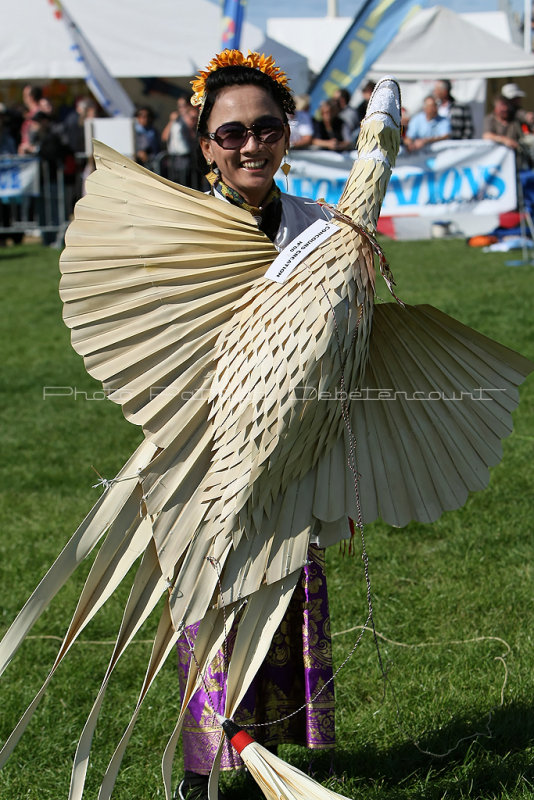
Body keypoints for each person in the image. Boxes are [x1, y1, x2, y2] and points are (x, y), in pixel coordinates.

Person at [174, 50, 337, 800]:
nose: (250, 146)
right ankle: (207, 767)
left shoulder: (320, 229)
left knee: (282, 598)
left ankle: (274, 755)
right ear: (205, 142)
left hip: (293, 456)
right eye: (231, 133)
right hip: (205, 455)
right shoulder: (181, 232)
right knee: (210, 608)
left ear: (287, 134)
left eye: (266, 128)